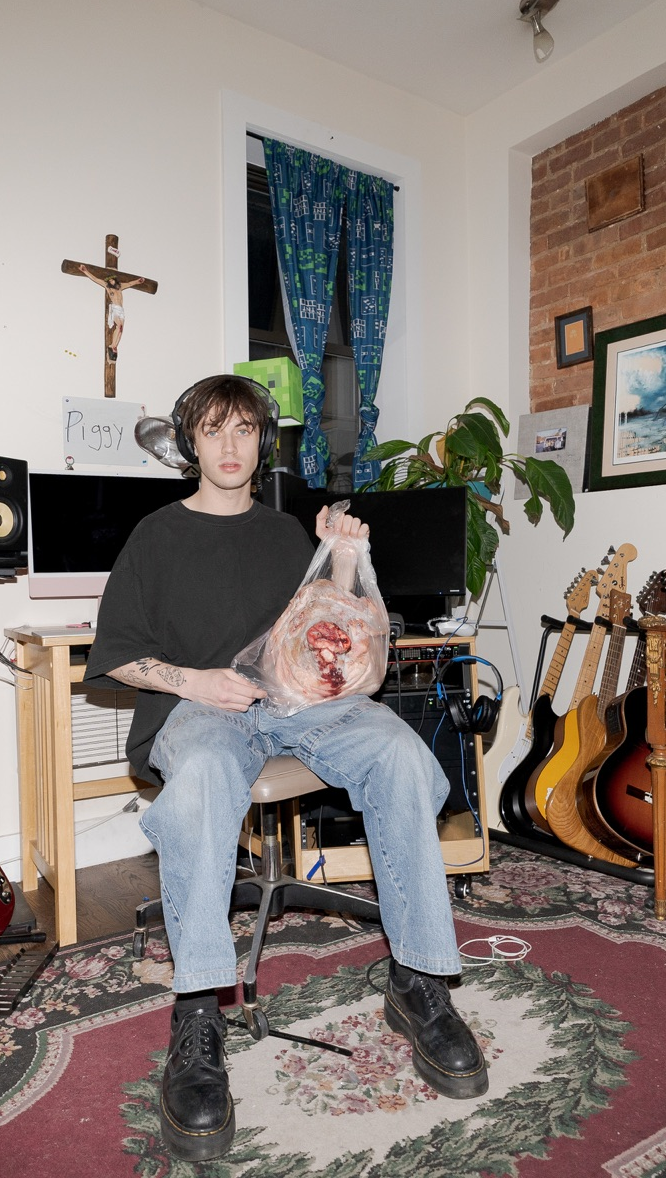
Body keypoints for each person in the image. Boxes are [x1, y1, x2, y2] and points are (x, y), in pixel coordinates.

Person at [85, 374, 487, 1162]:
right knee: (204, 774)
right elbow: (119, 656)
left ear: (261, 441)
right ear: (190, 443)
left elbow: (323, 633)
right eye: (213, 430)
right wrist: (194, 680)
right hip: (200, 709)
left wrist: (344, 557)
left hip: (295, 705)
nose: (230, 446)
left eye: (244, 430)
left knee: (400, 752)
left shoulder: (281, 534)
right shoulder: (155, 537)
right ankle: (198, 1016)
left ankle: (418, 981)